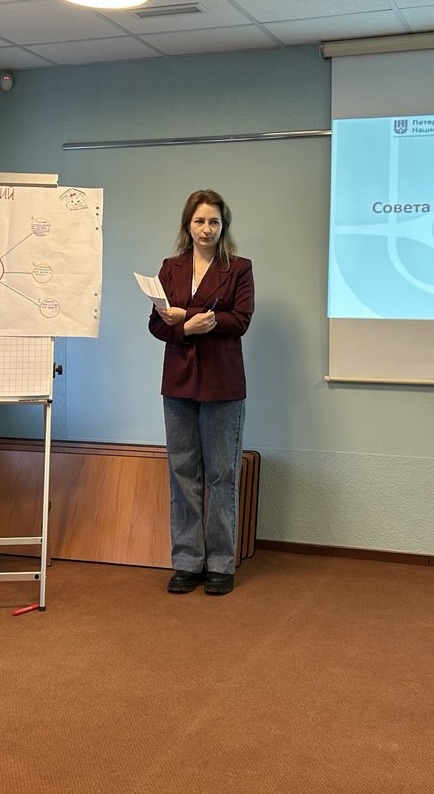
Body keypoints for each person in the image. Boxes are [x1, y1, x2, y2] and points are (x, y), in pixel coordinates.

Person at [148, 190, 254, 596]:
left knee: (222, 474)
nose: (206, 229)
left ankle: (221, 563)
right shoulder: (169, 268)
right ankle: (187, 561)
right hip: (178, 382)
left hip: (223, 384)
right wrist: (185, 328)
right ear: (187, 225)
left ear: (223, 226)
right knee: (182, 473)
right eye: (199, 221)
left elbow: (240, 320)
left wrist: (186, 318)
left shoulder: (239, 268)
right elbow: (156, 325)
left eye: (213, 222)